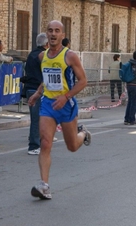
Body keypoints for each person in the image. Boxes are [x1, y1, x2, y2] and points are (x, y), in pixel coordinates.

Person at [27, 20, 91, 200]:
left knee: (71, 146)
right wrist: (37, 94)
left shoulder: (70, 56)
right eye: (50, 31)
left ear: (62, 35)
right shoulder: (43, 56)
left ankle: (83, 134)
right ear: (46, 34)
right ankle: (44, 185)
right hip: (48, 103)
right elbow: (47, 80)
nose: (53, 34)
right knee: (45, 142)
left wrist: (66, 97)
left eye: (57, 31)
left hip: (66, 105)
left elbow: (83, 81)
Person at [23, 33, 48, 155]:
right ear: (47, 44)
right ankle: (33, 146)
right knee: (36, 118)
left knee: (37, 118)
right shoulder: (42, 55)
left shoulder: (31, 54)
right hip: (37, 89)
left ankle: (35, 138)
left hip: (30, 88)